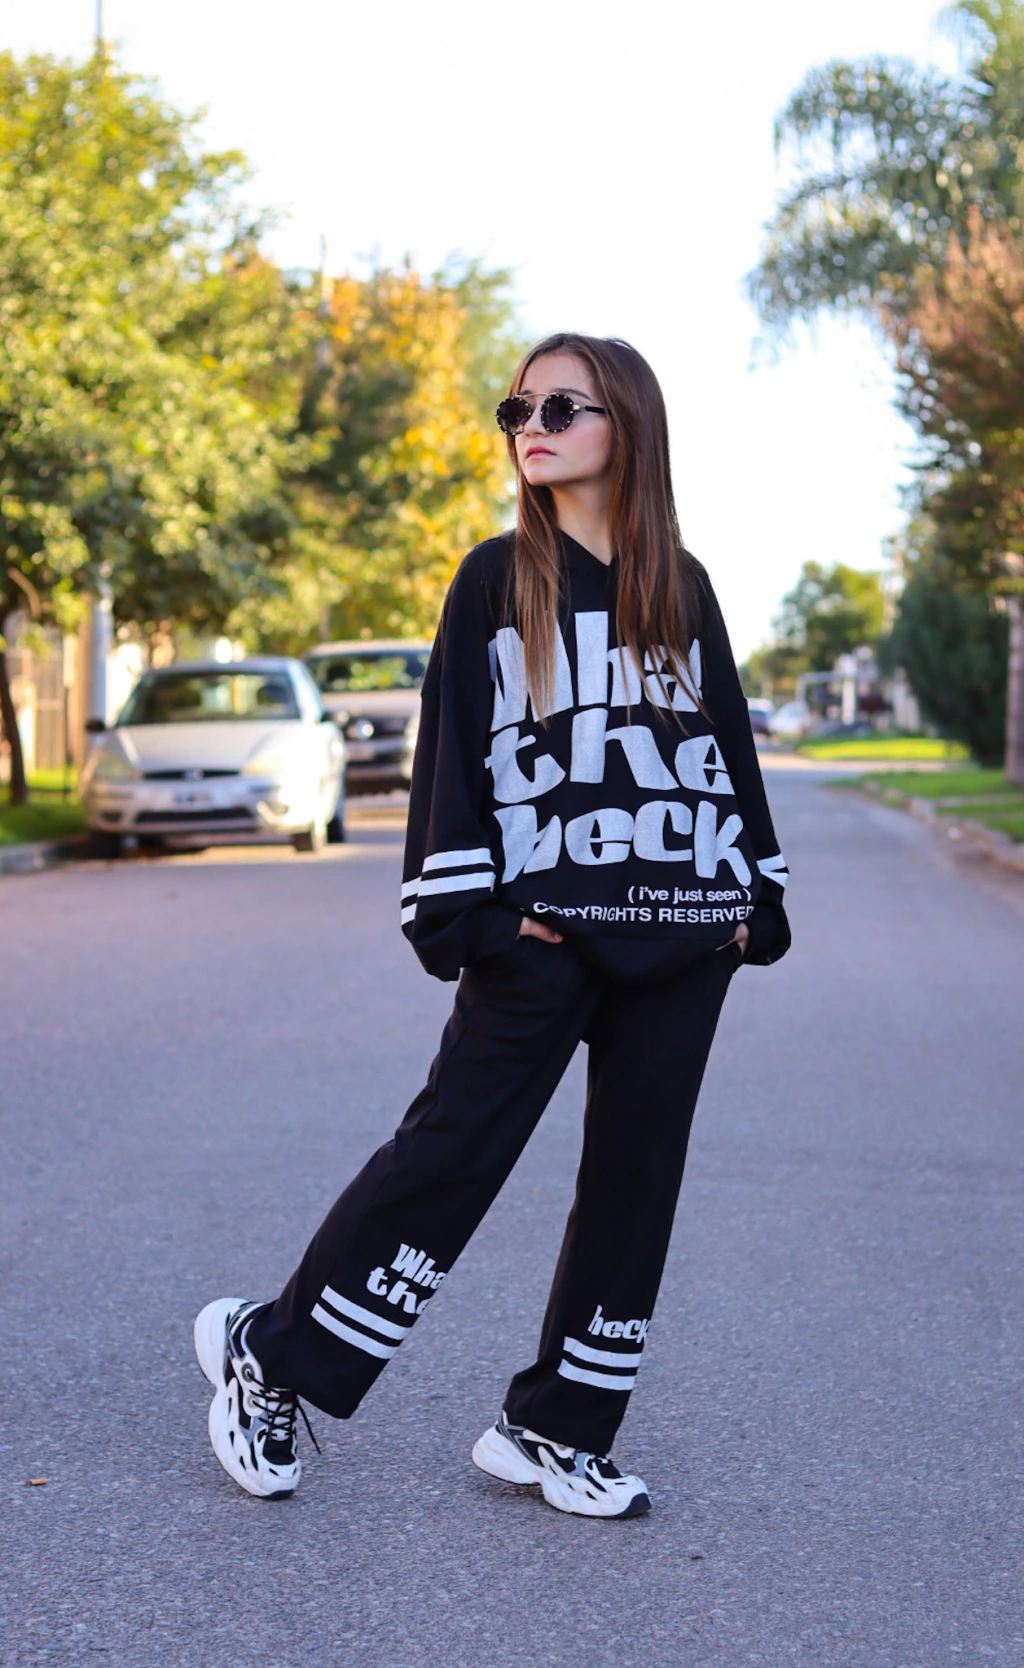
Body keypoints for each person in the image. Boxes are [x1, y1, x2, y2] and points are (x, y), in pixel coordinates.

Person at [194, 333, 790, 1520]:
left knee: (636, 1183)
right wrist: (475, 918)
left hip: (679, 936)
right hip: (540, 935)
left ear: (627, 424)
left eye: (563, 406)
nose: (532, 427)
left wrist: (749, 905)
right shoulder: (494, 579)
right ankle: (276, 1356)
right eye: (518, 408)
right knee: (452, 1156)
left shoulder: (682, 585)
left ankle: (556, 1427)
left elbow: (722, 744)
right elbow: (453, 752)